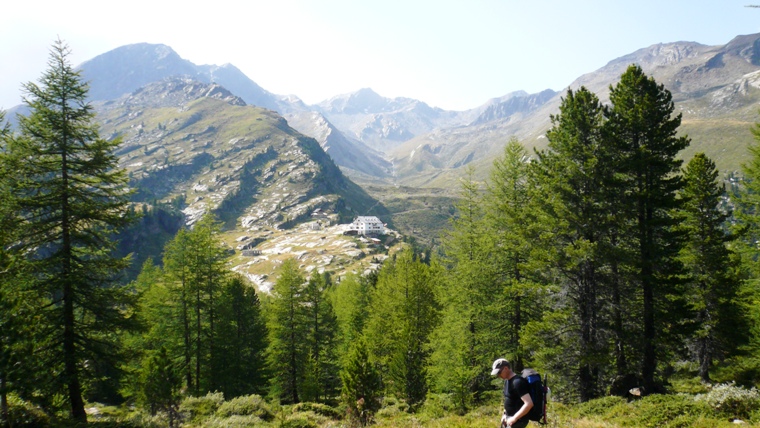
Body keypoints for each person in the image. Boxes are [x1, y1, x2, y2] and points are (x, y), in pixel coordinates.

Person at [491, 358, 533, 428]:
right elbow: (509, 399)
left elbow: (529, 403)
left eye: (499, 372)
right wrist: (504, 414)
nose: (498, 375)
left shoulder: (518, 382)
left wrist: (514, 418)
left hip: (518, 421)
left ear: (506, 368)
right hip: (509, 419)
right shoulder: (507, 381)